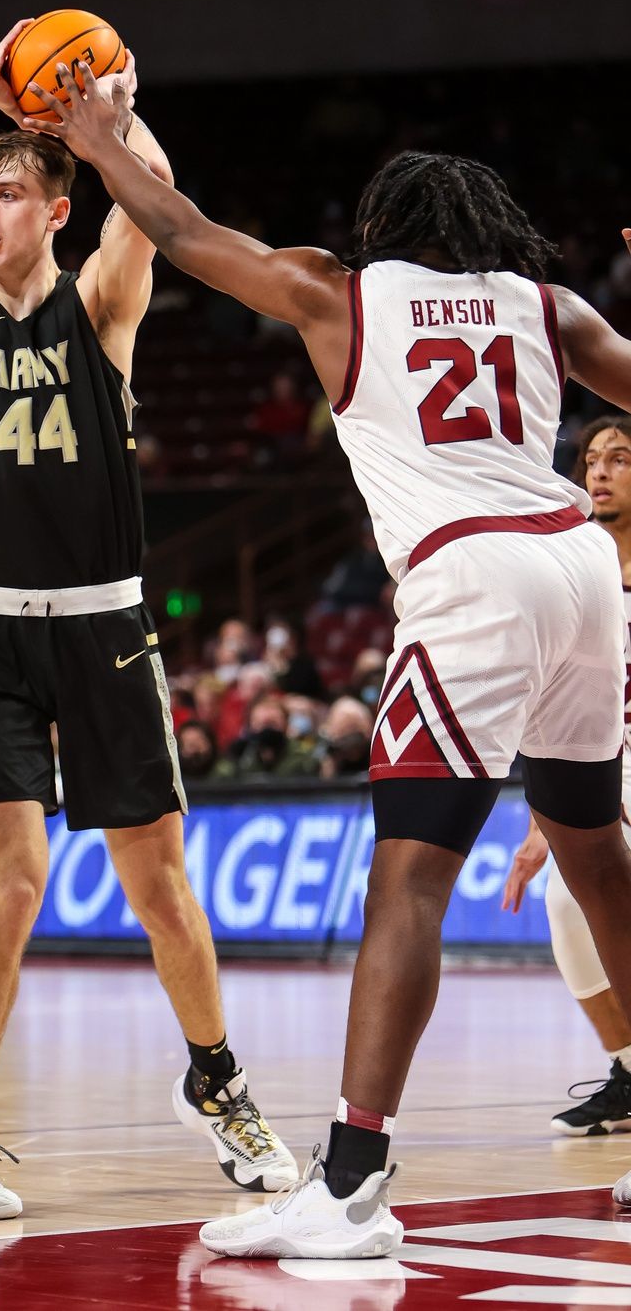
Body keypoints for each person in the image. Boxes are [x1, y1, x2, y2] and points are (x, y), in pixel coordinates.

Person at [38, 63, 631, 1258]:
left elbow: (183, 231)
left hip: (471, 579)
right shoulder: (544, 305)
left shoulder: (339, 293)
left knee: (408, 879)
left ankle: (351, 1183)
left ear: (385, 229)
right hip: (581, 565)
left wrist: (99, 140)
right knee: (596, 853)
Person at [0, 24, 298, 1220]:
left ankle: (217, 1085)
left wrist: (108, 117)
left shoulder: (103, 300)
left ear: (55, 210)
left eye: (7, 191)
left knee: (161, 889)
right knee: (11, 887)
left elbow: (156, 209)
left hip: (105, 627)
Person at [503, 416, 631, 1138]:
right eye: (591, 460)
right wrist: (538, 827)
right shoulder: (573, 573)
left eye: (620, 458)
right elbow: (560, 713)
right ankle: (628, 1066)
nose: (601, 472)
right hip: (596, 766)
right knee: (563, 904)